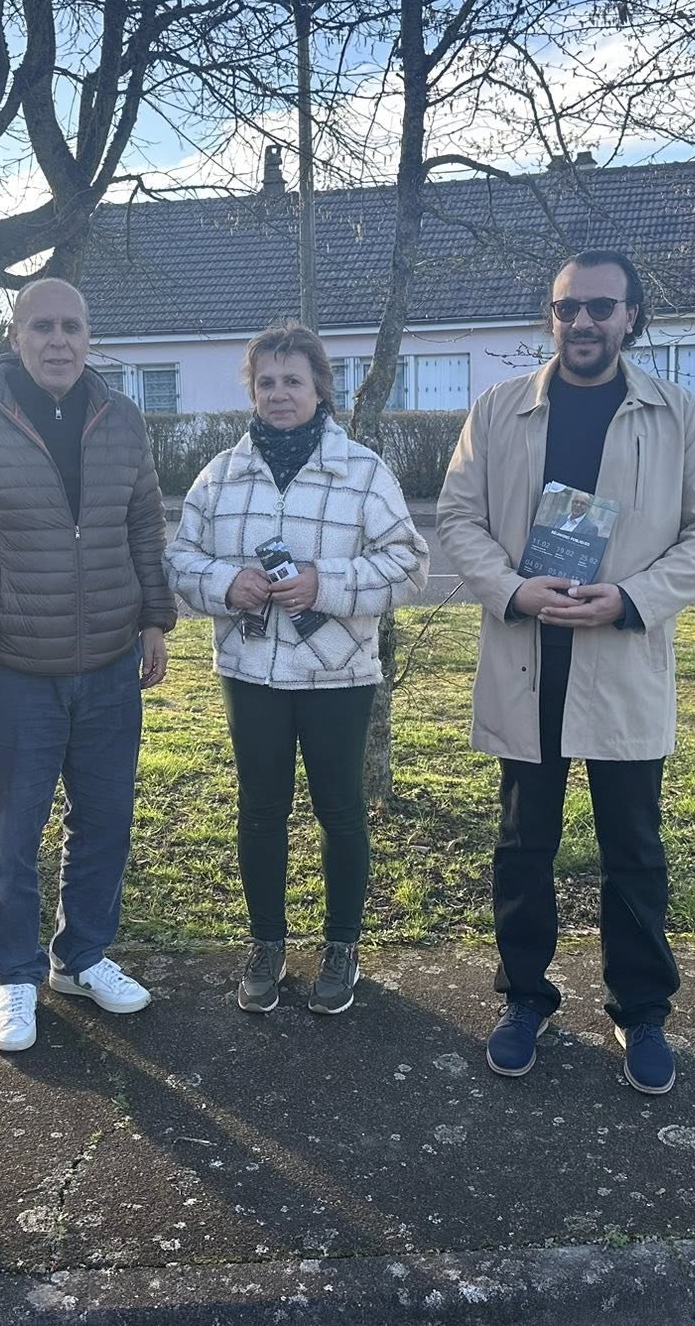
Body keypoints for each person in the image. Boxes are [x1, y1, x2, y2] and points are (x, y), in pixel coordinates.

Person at [435, 250, 695, 1095]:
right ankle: (524, 999)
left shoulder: (675, 415)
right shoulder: (499, 411)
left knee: (634, 850)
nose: (583, 323)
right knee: (523, 846)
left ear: (632, 317)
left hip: (621, 659)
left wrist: (633, 597)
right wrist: (512, 588)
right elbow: (457, 517)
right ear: (552, 317)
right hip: (529, 656)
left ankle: (642, 1012)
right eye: (568, 308)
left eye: (601, 307)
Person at [0, 278, 176, 1054]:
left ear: (89, 337)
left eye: (73, 327)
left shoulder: (120, 418)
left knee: (106, 825)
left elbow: (142, 524)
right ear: (15, 334)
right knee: (11, 834)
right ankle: (16, 975)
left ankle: (81, 956)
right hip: (12, 664)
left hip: (109, 666)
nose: (59, 340)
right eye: (42, 326)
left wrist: (155, 617)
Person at [166, 324, 429, 1015]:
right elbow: (180, 559)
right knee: (260, 812)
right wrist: (228, 583)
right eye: (267, 382)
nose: (280, 394)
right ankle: (267, 944)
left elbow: (409, 563)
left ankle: (341, 945)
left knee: (341, 811)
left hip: (338, 676)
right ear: (251, 390)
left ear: (320, 388)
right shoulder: (221, 474)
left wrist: (326, 583)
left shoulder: (363, 472)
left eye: (293, 381)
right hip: (250, 673)